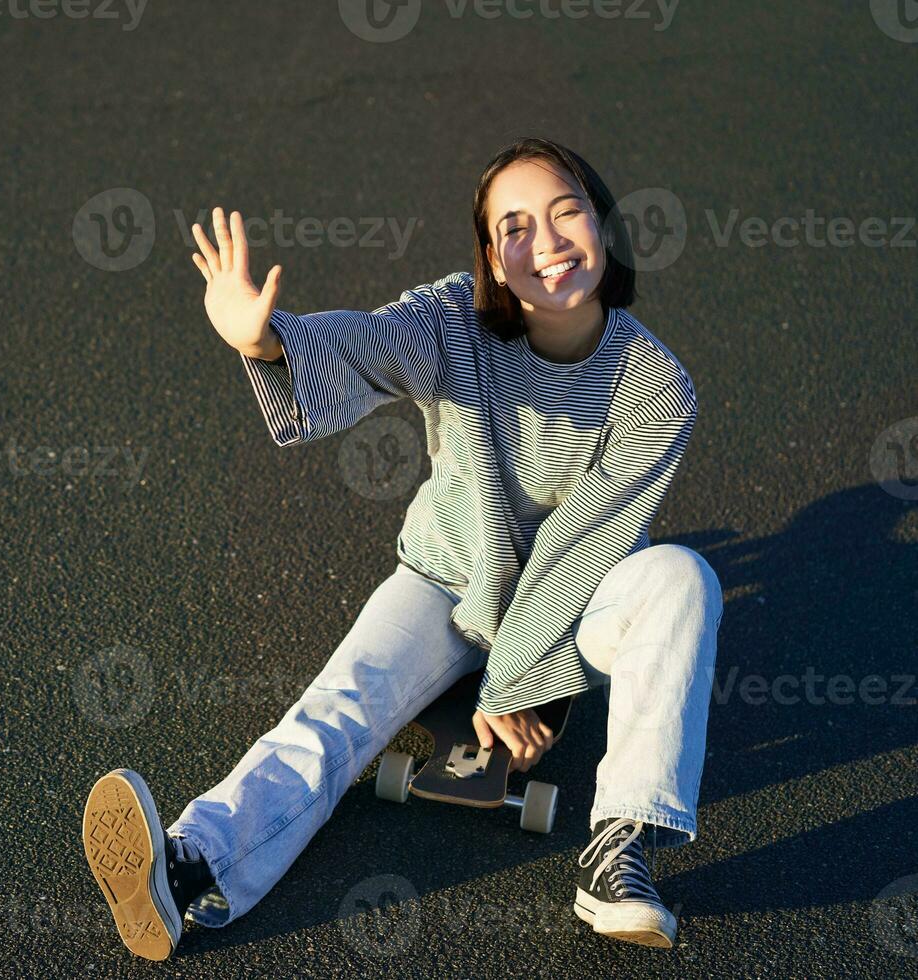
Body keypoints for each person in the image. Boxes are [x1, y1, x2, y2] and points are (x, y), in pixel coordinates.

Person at [81, 137, 723, 960]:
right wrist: (266, 343)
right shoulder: (456, 321)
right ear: (493, 256)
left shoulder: (655, 386)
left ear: (603, 225)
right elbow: (368, 343)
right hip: (446, 579)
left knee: (680, 577)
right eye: (515, 227)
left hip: (575, 600)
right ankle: (186, 864)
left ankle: (620, 852)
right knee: (335, 711)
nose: (548, 242)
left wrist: (522, 683)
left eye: (567, 213)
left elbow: (581, 540)